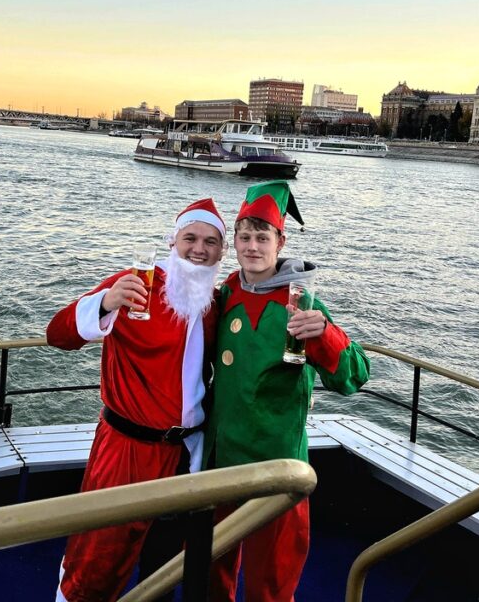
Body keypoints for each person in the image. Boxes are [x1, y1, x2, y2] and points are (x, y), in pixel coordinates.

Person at [46, 198, 227, 602]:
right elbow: (57, 334)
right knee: (97, 558)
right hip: (126, 449)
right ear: (172, 241)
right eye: (191, 238)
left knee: (165, 567)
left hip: (185, 453)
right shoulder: (132, 283)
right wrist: (105, 302)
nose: (200, 249)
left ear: (222, 252)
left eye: (211, 242)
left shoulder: (215, 302)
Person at [206, 181, 371, 602]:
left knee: (271, 588)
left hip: (276, 470)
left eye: (263, 237)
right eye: (244, 237)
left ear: (281, 241)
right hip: (219, 462)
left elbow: (353, 377)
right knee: (210, 576)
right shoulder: (224, 294)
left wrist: (326, 335)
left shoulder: (301, 302)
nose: (252, 247)